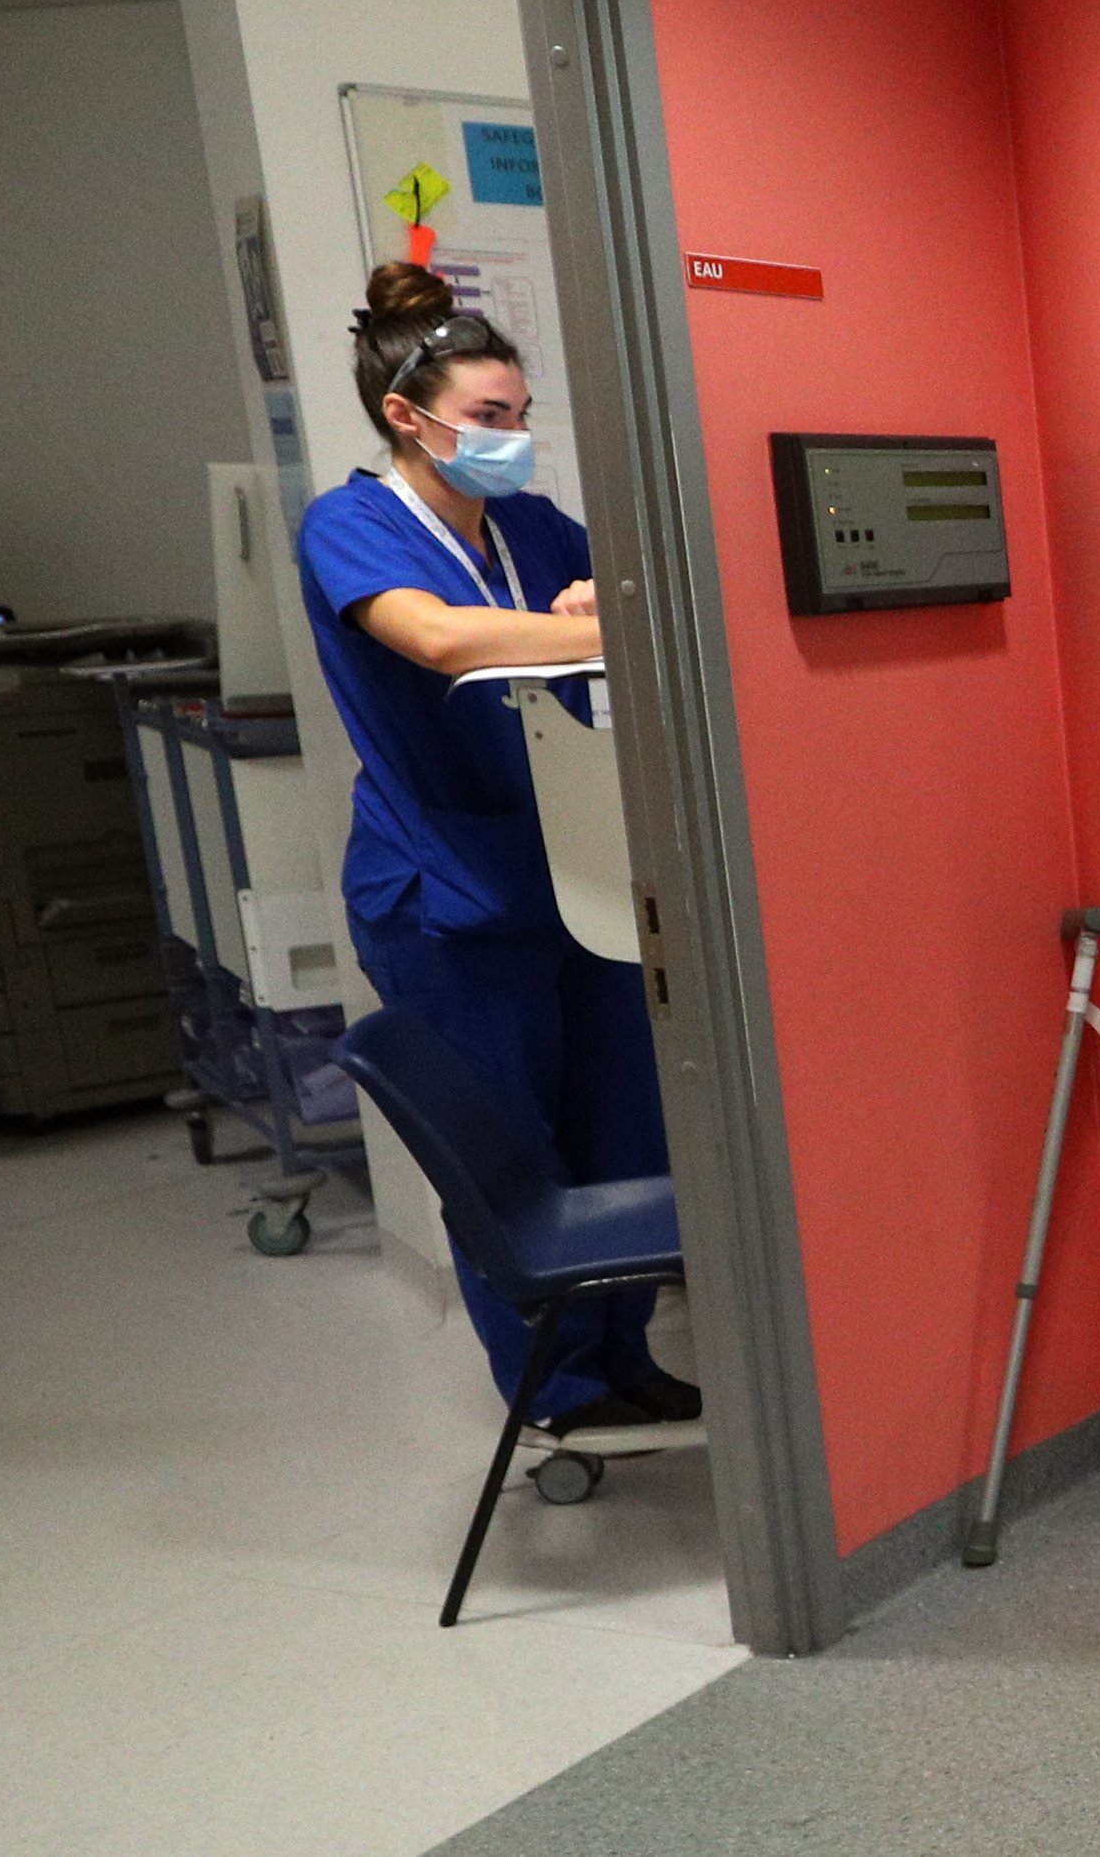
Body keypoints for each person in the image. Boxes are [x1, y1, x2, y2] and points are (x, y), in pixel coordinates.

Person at [298, 264, 689, 1435]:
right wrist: (587, 620)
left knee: (624, 1127)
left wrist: (595, 605)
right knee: (513, 1154)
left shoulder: (524, 520)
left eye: (519, 416)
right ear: (405, 416)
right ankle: (557, 1395)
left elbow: (621, 587)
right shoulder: (351, 523)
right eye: (488, 418)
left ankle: (626, 1355)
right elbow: (439, 634)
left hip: (579, 867)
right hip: (446, 890)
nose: (511, 440)